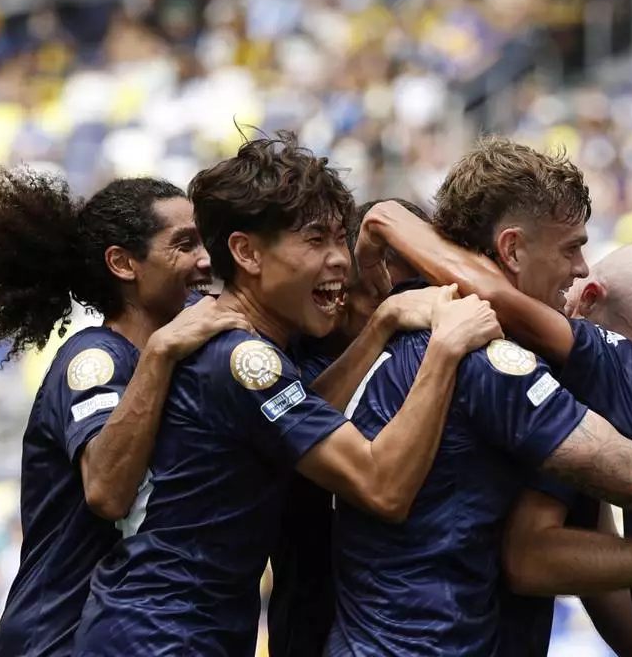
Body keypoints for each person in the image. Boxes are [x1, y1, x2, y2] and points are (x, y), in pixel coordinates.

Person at [327, 140, 632, 656]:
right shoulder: (486, 357)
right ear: (512, 249)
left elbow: (586, 551)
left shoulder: (421, 317)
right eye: (570, 247)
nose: (581, 268)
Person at [73, 133, 503, 656]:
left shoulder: (237, 344)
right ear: (247, 252)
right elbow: (382, 486)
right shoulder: (241, 358)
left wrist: (381, 323)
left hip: (170, 629)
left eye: (340, 239)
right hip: (160, 636)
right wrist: (445, 350)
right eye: (315, 240)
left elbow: (305, 411)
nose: (340, 260)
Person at [0, 168, 250, 657]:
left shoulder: (186, 364)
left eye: (204, 242)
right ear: (124, 263)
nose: (205, 260)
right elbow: (106, 491)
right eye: (184, 244)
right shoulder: (96, 360)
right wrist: (163, 352)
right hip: (57, 639)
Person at [268, 197, 434, 657]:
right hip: (311, 623)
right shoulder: (288, 351)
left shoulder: (422, 350)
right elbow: (300, 422)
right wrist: (381, 325)